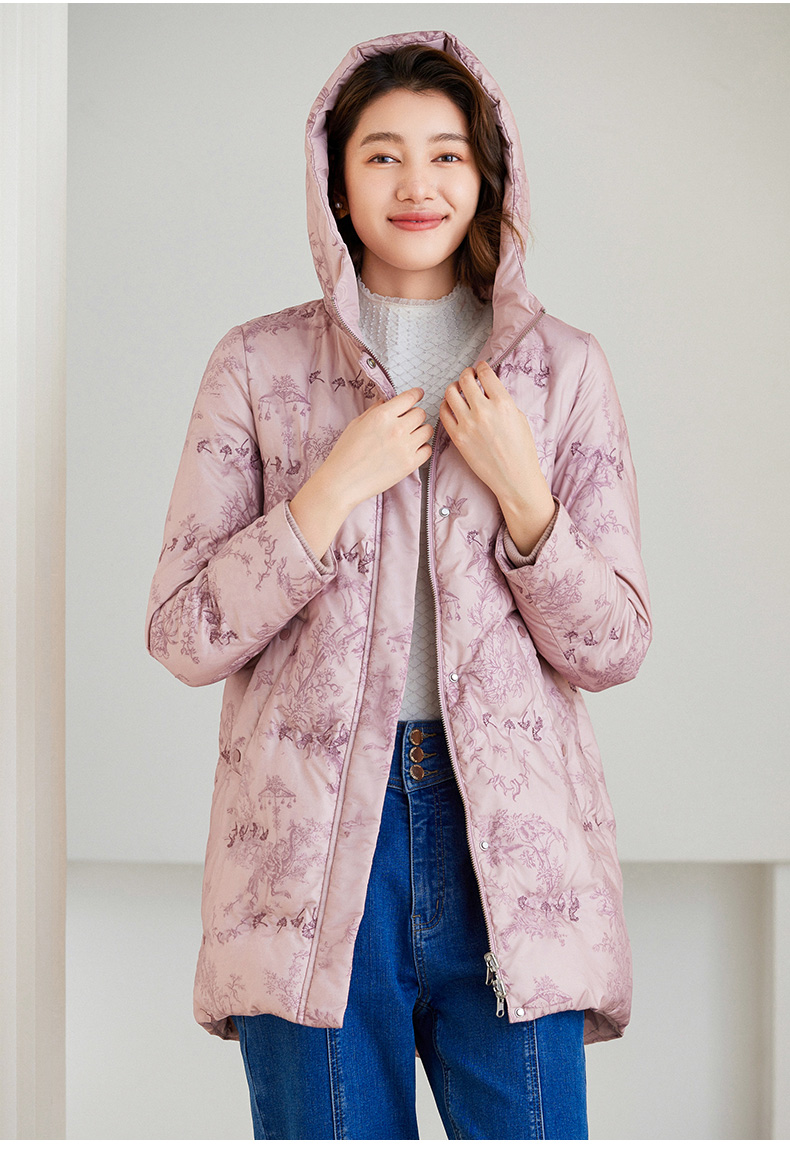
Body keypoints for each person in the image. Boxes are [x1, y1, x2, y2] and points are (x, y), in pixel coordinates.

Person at [145, 30, 652, 1141]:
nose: (417, 184)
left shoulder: (563, 369)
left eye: (446, 155)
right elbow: (183, 632)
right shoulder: (257, 365)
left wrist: (528, 500)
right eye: (382, 155)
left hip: (510, 849)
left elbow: (615, 643)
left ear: (487, 176)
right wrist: (326, 493)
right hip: (313, 851)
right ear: (335, 182)